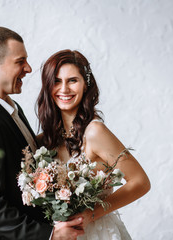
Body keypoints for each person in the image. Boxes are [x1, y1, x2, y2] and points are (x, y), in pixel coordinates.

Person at [0, 27, 84, 240]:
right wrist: (50, 235)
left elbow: (21, 153)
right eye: (20, 61)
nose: (28, 68)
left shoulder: (10, 107)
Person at [36, 49, 151, 239]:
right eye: (56, 81)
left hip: (97, 232)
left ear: (85, 85)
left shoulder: (95, 132)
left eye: (72, 80)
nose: (64, 89)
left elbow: (141, 182)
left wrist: (91, 214)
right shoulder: (44, 141)